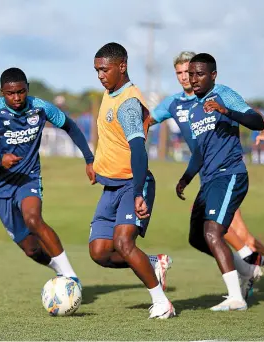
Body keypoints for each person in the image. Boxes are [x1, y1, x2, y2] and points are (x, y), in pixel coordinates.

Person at [151, 51, 264, 298]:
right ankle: (260, 272)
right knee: (218, 234)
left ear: (206, 74)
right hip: (206, 175)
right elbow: (151, 120)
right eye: (180, 73)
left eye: (191, 71)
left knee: (234, 233)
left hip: (226, 173)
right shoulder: (176, 104)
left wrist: (261, 130)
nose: (186, 77)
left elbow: (248, 115)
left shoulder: (219, 94)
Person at [0, 67, 95, 288]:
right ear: (2, 92)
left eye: (21, 91)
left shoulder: (40, 107)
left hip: (28, 177)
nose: (16, 97)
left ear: (27, 89)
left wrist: (89, 158)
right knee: (31, 249)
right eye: (10, 93)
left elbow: (70, 126)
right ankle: (59, 271)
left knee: (33, 219)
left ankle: (71, 278)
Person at [89, 42, 175, 319]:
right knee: (99, 252)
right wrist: (95, 163)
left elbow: (138, 150)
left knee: (124, 243)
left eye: (105, 69)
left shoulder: (127, 103)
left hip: (132, 184)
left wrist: (138, 193)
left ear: (122, 67)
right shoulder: (109, 92)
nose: (100, 75)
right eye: (97, 70)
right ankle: (153, 263)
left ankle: (162, 302)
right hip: (111, 185)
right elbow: (111, 140)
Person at [175, 53, 264, 311]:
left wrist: (226, 111)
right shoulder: (194, 111)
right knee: (197, 237)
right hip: (209, 180)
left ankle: (236, 298)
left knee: (213, 231)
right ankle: (248, 268)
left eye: (200, 74)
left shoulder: (224, 94)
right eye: (191, 74)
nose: (194, 79)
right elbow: (200, 153)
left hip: (230, 174)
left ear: (213, 75)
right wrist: (186, 178)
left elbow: (257, 121)